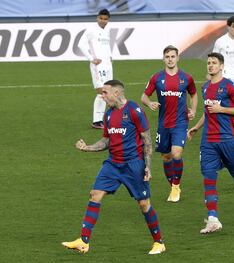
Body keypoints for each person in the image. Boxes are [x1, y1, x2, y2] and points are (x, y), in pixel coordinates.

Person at [62, 80, 166, 255]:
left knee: (144, 204)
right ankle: (83, 241)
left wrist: (148, 167)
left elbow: (147, 139)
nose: (102, 96)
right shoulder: (108, 115)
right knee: (95, 194)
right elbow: (106, 141)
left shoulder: (134, 110)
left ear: (117, 93)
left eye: (105, 93)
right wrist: (87, 147)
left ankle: (159, 243)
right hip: (113, 164)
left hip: (134, 165)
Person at [187, 52, 234, 234]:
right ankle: (213, 219)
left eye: (214, 63)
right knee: (209, 178)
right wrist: (196, 127)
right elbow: (208, 111)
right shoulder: (205, 87)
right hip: (208, 141)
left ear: (221, 66)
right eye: (208, 62)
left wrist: (222, 109)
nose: (210, 65)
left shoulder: (229, 86)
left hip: (228, 140)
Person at [141, 45, 198, 202]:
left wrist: (193, 110)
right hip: (163, 123)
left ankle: (175, 187)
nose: (170, 59)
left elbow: (194, 94)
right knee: (166, 157)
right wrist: (150, 103)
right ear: (163, 59)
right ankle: (173, 185)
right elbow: (144, 97)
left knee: (176, 153)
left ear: (178, 58)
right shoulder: (156, 78)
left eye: (173, 56)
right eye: (167, 57)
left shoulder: (186, 78)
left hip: (180, 123)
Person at [78, 9, 113, 129]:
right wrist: (91, 58)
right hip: (98, 66)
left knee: (108, 91)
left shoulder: (106, 31)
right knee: (101, 92)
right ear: (97, 18)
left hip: (107, 65)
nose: (103, 21)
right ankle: (97, 121)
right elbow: (80, 44)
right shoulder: (91, 30)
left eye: (105, 19)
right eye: (101, 18)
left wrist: (110, 56)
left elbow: (105, 46)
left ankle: (101, 119)